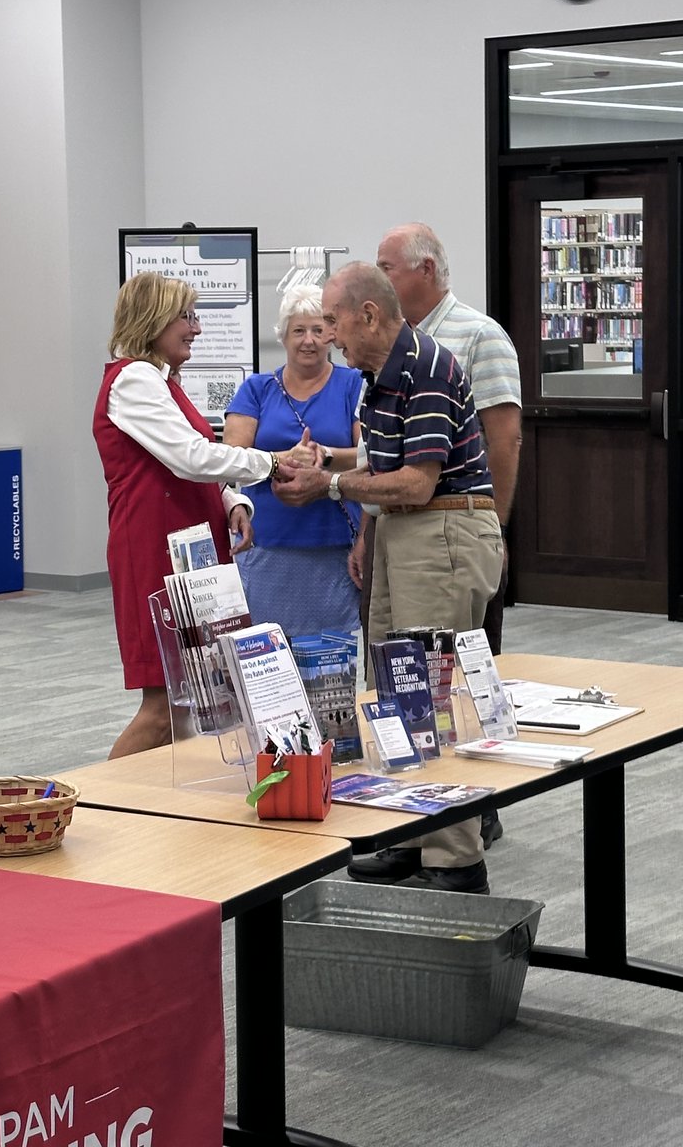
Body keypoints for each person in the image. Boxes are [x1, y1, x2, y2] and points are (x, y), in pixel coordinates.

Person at [273, 262, 503, 894]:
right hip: (404, 534)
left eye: (334, 322)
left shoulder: (426, 368)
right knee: (390, 689)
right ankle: (408, 833)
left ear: (369, 315)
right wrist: (327, 469)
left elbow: (417, 481)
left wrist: (330, 485)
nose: (328, 336)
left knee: (430, 695)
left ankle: (455, 860)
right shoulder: (381, 375)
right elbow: (382, 463)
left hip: (442, 530)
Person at [93, 271, 295, 759]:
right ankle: (95, 799)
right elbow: (190, 458)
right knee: (162, 707)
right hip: (153, 552)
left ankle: (164, 801)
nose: (197, 328)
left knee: (188, 701)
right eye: (186, 316)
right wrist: (270, 463)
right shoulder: (134, 380)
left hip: (186, 553)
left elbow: (185, 462)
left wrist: (231, 501)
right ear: (154, 319)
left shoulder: (162, 381)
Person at [351, 222, 522, 656]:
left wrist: (496, 529)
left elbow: (504, 442)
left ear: (425, 269)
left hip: (452, 526)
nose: (378, 278)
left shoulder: (480, 335)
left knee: (448, 664)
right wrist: (367, 529)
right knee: (388, 662)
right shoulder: (385, 343)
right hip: (392, 524)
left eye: (386, 268)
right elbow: (380, 452)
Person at [223, 284, 363, 636]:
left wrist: (324, 456)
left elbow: (369, 455)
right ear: (283, 336)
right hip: (266, 546)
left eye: (318, 330)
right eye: (299, 330)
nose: (308, 340)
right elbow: (231, 459)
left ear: (332, 335)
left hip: (335, 547)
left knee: (331, 656)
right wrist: (283, 459)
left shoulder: (354, 384)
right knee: (267, 654)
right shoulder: (256, 389)